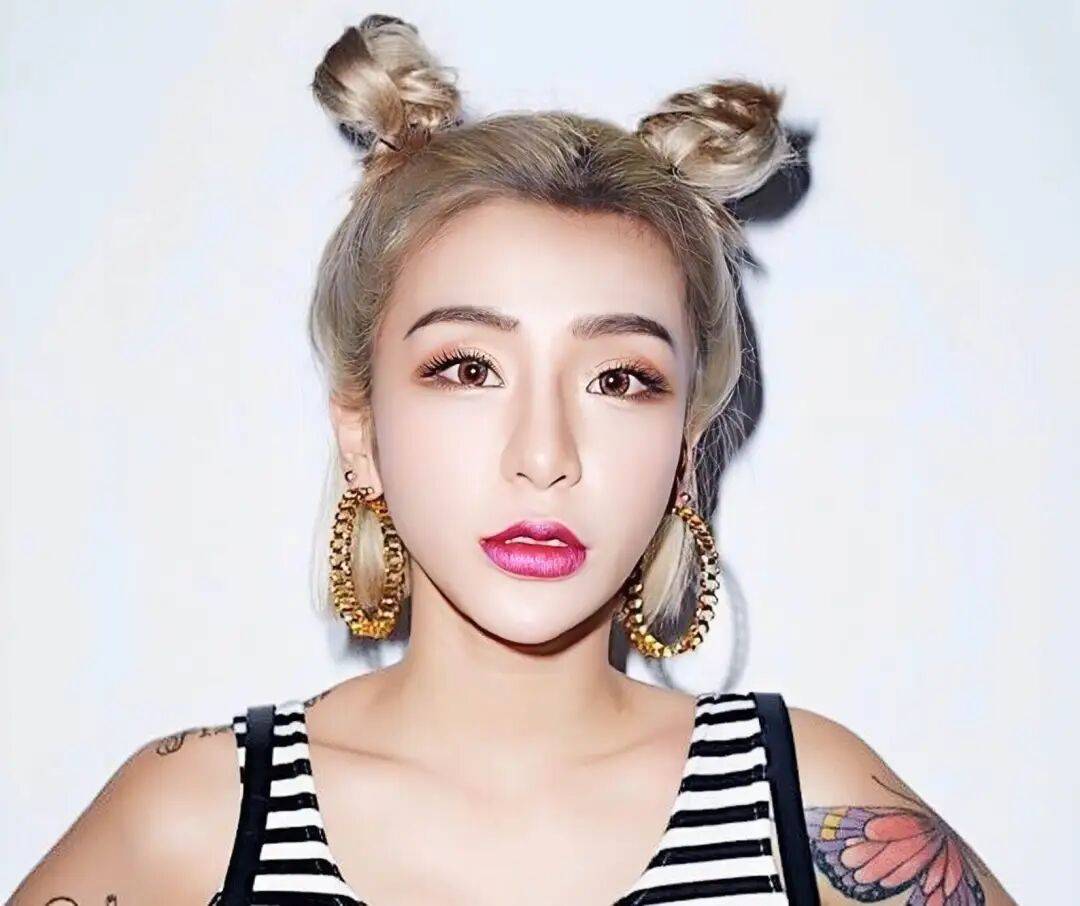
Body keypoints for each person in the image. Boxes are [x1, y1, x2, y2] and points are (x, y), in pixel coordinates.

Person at [10, 13, 1016, 906]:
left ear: (684, 451)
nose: (544, 455)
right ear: (360, 431)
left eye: (618, 379)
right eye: (467, 369)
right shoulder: (197, 821)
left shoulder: (805, 811)